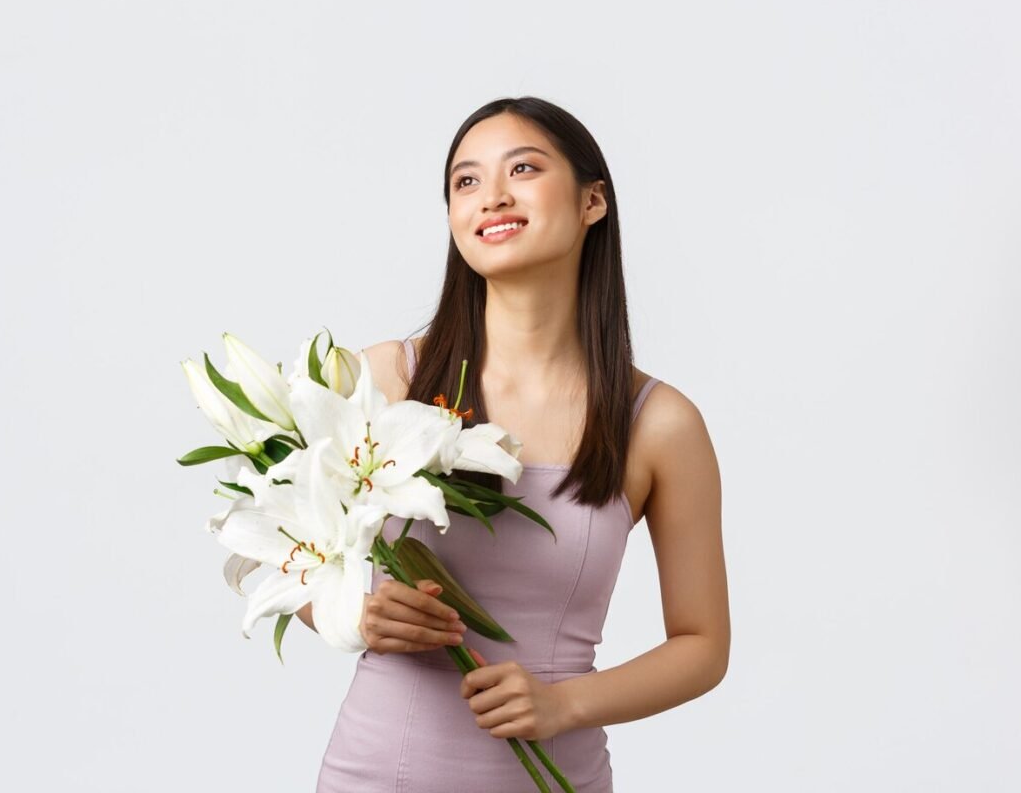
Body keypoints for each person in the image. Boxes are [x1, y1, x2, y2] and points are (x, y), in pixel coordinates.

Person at [297, 96, 729, 792]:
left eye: (523, 168)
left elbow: (703, 646)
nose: (491, 196)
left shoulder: (659, 423)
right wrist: (354, 613)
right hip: (378, 775)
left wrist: (564, 703)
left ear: (594, 201)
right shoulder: (383, 378)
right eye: (465, 182)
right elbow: (283, 560)